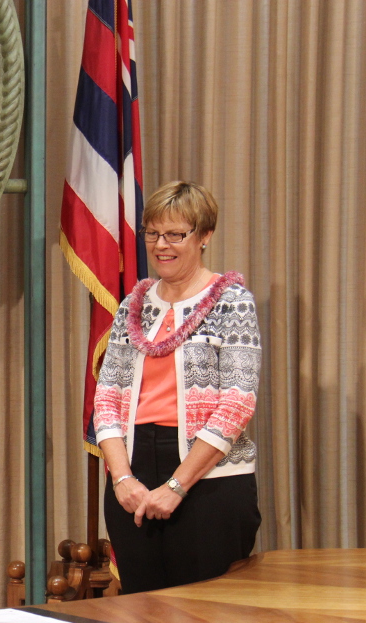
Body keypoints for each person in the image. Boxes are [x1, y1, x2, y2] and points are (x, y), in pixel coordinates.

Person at [94, 181, 261, 594]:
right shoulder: (134, 304)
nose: (161, 245)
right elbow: (107, 397)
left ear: (204, 237)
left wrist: (176, 486)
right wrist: (121, 479)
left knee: (209, 618)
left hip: (210, 479)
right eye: (152, 233)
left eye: (175, 234)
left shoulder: (231, 301)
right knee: (143, 611)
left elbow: (237, 404)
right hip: (132, 474)